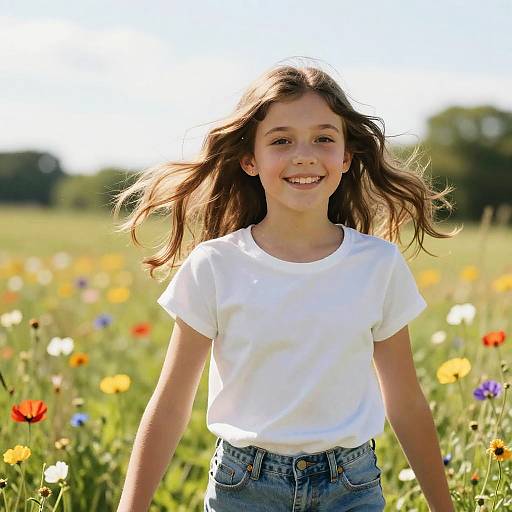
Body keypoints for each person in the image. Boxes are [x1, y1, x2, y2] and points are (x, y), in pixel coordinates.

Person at [114, 62, 460, 511]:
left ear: (346, 156)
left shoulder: (378, 264)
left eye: (323, 138)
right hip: (245, 488)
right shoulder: (216, 266)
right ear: (250, 160)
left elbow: (406, 401)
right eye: (281, 140)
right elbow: (171, 405)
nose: (304, 155)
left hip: (351, 488)